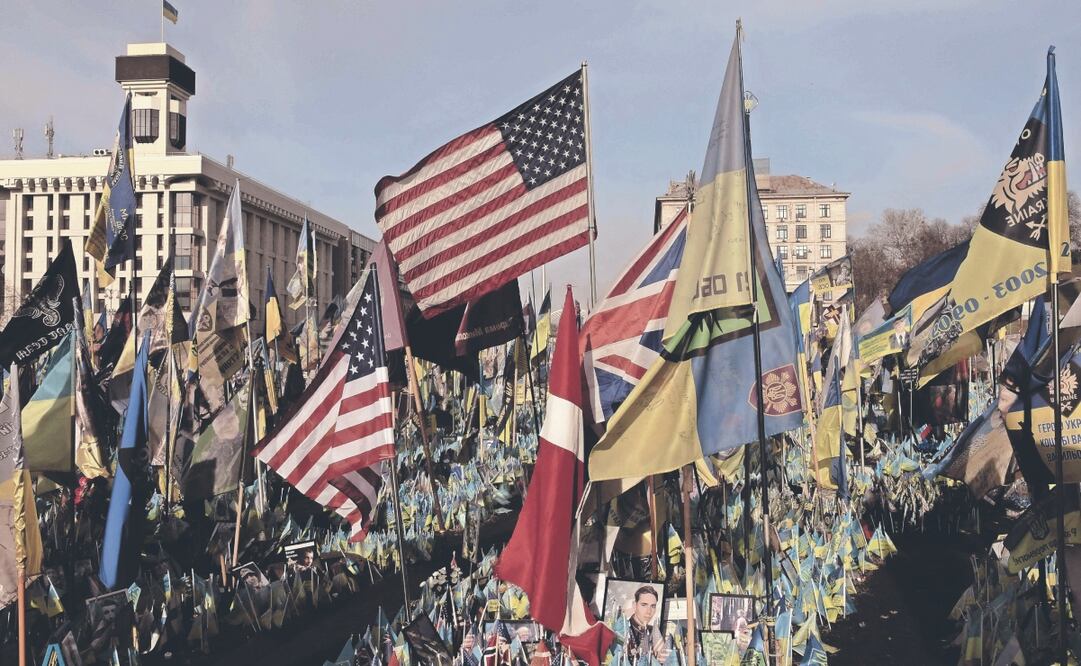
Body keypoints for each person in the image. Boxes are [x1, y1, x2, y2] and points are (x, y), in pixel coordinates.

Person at [625, 586, 666, 661]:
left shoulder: (653, 632)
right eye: (644, 605)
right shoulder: (623, 629)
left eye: (653, 606)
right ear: (634, 605)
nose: (649, 611)